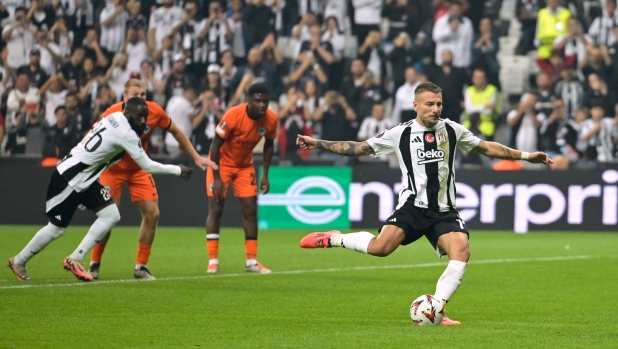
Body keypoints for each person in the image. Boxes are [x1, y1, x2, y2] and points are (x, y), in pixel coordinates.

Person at [296, 81, 553, 325]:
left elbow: (486, 148)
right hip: (412, 206)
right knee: (380, 248)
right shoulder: (401, 133)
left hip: (444, 210)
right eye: (429, 104)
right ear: (416, 105)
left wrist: (527, 156)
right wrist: (318, 143)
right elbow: (359, 148)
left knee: (461, 250)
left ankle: (436, 309)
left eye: (439, 104)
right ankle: (334, 238)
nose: (435, 109)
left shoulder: (452, 129)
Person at [6, 97, 194, 282]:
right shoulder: (126, 133)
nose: (143, 122)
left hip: (86, 177)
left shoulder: (112, 117)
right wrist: (177, 170)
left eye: (145, 117)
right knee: (56, 229)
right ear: (127, 113)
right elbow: (148, 166)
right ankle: (19, 261)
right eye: (139, 117)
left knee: (111, 215)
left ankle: (76, 258)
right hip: (70, 178)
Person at [89, 79, 216, 280]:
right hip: (112, 169)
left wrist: (195, 156)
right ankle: (94, 264)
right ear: (124, 97)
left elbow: (175, 130)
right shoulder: (112, 113)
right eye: (134, 95)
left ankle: (141, 266)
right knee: (108, 215)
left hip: (139, 168)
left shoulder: (154, 111)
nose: (139, 99)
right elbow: (92, 135)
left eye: (143, 95)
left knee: (152, 213)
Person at [206, 83, 277, 274]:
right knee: (217, 209)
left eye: (265, 101)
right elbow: (215, 145)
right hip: (221, 164)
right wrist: (217, 177)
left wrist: (265, 174)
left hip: (245, 166)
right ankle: (213, 260)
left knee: (251, 211)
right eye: (257, 101)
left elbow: (269, 144)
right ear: (248, 101)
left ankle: (251, 261)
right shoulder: (233, 115)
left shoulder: (271, 119)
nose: (262, 105)